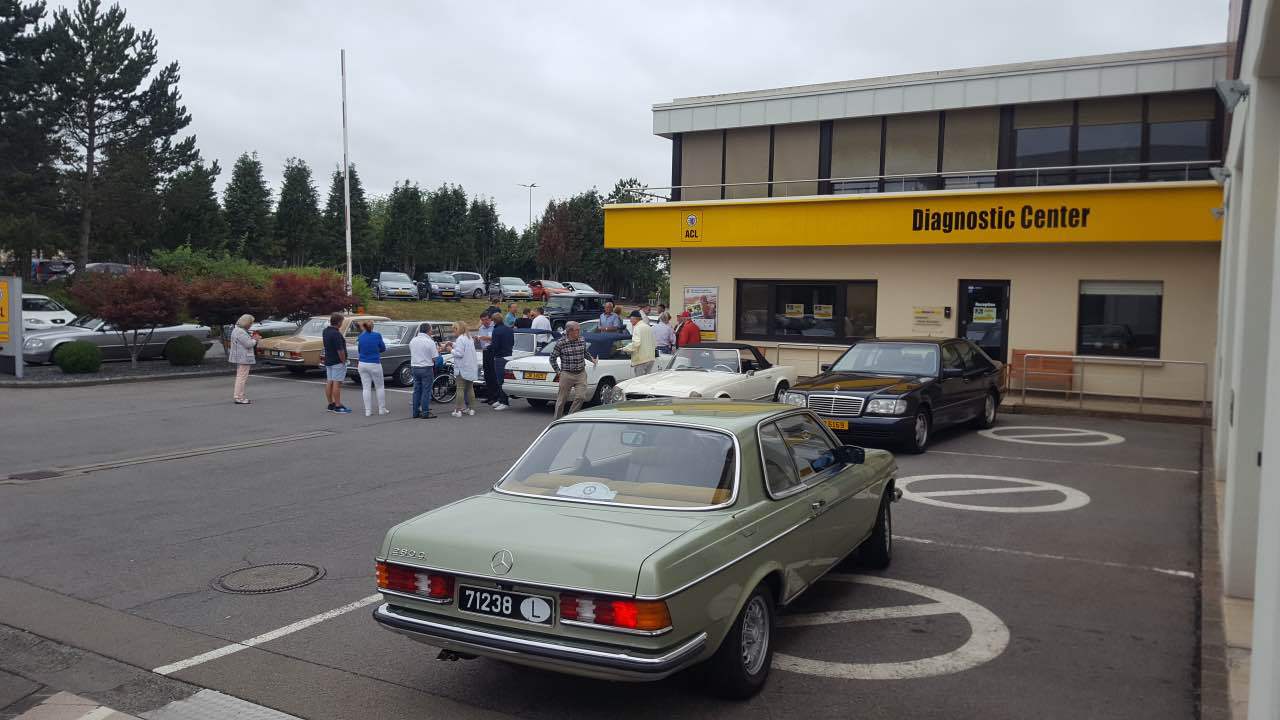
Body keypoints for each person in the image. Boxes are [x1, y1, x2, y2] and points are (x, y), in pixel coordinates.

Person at [549, 321, 598, 419]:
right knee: (561, 400)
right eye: (577, 330)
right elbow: (552, 358)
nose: (579, 332)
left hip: (581, 374)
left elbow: (584, 353)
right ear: (570, 331)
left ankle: (569, 418)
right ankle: (556, 420)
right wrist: (558, 372)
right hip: (567, 374)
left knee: (581, 397)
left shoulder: (582, 340)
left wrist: (592, 359)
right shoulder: (561, 343)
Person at [356, 320, 389, 417]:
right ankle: (382, 409)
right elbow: (383, 348)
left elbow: (359, 350)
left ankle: (368, 411)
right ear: (373, 326)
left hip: (362, 363)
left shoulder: (361, 336)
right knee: (379, 387)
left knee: (366, 387)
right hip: (374, 363)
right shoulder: (377, 335)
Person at [228, 314, 261, 405]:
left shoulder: (237, 330)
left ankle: (238, 396)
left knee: (240, 377)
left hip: (240, 357)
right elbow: (248, 344)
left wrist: (252, 338)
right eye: (250, 323)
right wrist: (255, 339)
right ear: (246, 323)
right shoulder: (240, 332)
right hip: (243, 357)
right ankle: (239, 397)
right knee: (242, 378)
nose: (251, 325)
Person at [322, 313, 352, 414]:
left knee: (329, 381)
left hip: (328, 360)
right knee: (337, 383)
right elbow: (340, 350)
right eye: (342, 322)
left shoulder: (325, 331)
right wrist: (343, 361)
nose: (342, 324)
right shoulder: (336, 334)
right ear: (338, 322)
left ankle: (331, 404)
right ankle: (338, 406)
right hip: (337, 361)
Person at [409, 322, 440, 419]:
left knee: (417, 390)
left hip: (415, 367)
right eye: (431, 330)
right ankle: (425, 412)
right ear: (428, 331)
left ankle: (415, 412)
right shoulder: (430, 341)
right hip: (426, 367)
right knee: (426, 390)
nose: (432, 331)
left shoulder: (413, 340)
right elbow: (435, 358)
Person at [449, 321, 479, 417]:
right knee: (470, 388)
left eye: (454, 330)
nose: (453, 332)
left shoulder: (460, 339)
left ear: (458, 329)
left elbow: (459, 353)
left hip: (462, 368)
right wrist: (453, 344)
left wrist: (450, 350)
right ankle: (471, 409)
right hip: (470, 367)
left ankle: (458, 410)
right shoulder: (469, 338)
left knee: (460, 389)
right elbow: (463, 349)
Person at [488, 311, 514, 410]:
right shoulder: (509, 329)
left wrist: (489, 348)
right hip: (509, 355)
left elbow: (495, 345)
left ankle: (504, 402)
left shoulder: (496, 330)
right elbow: (512, 342)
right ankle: (500, 399)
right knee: (504, 379)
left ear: (494, 321)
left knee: (500, 380)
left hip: (500, 357)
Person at [621, 310, 656, 375]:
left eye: (630, 318)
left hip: (641, 360)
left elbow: (636, 343)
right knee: (646, 379)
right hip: (651, 359)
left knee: (639, 380)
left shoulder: (637, 328)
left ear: (635, 318)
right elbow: (654, 343)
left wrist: (625, 348)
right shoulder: (648, 327)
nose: (630, 321)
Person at [477, 312, 496, 403]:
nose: (485, 322)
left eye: (486, 319)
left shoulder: (494, 327)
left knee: (493, 374)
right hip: (485, 351)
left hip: (493, 352)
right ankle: (489, 396)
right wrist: (477, 339)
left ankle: (495, 397)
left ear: (490, 319)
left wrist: (487, 338)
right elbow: (480, 340)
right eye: (483, 320)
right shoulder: (481, 328)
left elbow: (496, 339)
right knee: (487, 374)